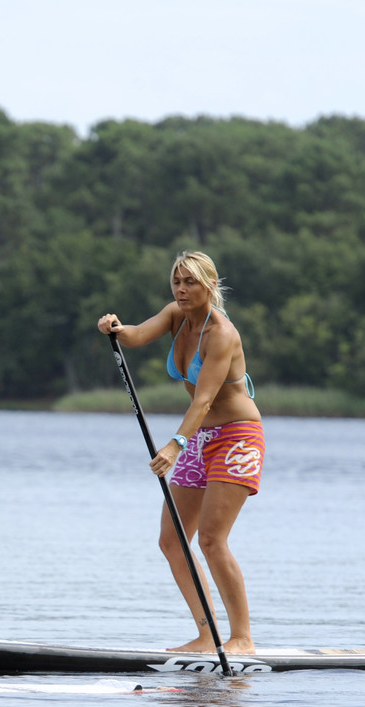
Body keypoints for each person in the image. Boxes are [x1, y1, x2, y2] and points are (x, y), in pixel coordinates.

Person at [97, 251, 263, 655]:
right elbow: (136, 336)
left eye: (190, 282)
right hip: (200, 438)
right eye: (177, 281)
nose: (181, 289)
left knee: (211, 540)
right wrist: (116, 329)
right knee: (171, 540)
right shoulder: (176, 314)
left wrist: (174, 445)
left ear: (210, 284)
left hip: (237, 437)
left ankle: (242, 638)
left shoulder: (222, 334)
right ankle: (207, 635)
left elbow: (204, 400)